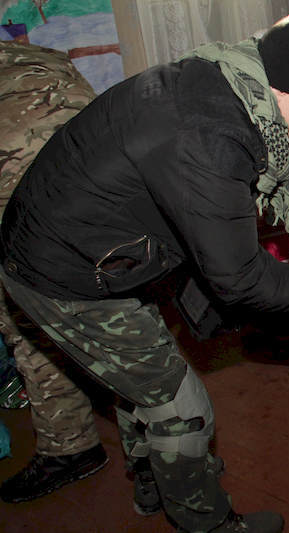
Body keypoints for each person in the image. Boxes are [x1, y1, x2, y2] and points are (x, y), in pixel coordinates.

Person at [0, 7, 289, 532]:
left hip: (90, 247)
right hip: (63, 273)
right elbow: (240, 276)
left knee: (144, 380)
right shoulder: (208, 137)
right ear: (287, 89)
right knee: (182, 408)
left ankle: (154, 479)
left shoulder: (235, 81)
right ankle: (205, 522)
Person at [0, 40, 111, 503]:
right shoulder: (43, 59)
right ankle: (157, 447)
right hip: (107, 214)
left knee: (29, 331)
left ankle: (72, 447)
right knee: (121, 319)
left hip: (33, 230)